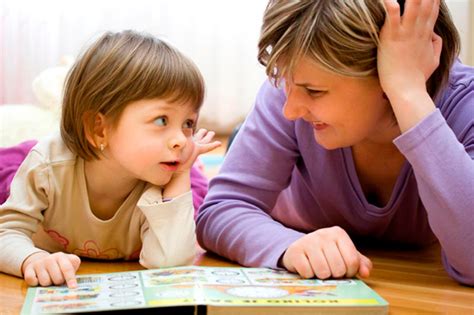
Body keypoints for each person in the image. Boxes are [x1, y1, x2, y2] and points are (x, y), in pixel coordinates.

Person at [197, 0, 474, 286]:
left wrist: (409, 93)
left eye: (315, 91)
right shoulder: (284, 96)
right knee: (247, 138)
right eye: (286, 81)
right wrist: (287, 245)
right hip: (282, 207)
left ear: (387, 76)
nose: (290, 110)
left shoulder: (465, 105)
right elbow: (221, 210)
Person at [0, 30, 221, 288]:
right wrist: (32, 258)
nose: (182, 140)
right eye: (162, 120)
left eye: (188, 123)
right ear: (99, 128)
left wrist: (181, 175)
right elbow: (6, 232)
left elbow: (170, 263)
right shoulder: (47, 167)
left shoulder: (165, 179)